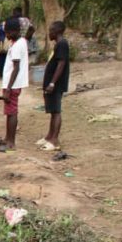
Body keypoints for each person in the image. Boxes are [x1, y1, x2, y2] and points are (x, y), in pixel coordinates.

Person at [0, 18, 29, 153]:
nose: (7, 36)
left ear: (15, 31)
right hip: (12, 84)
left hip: (13, 85)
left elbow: (15, 68)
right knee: (9, 112)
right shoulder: (18, 42)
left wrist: (8, 89)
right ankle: (7, 138)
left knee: (12, 112)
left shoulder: (17, 46)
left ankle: (11, 143)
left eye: (8, 33)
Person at [39, 21, 70, 152]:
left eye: (51, 31)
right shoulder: (58, 45)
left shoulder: (62, 44)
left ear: (57, 31)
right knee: (52, 110)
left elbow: (61, 64)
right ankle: (49, 137)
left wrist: (52, 83)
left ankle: (55, 141)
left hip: (56, 84)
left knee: (56, 111)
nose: (49, 33)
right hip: (52, 83)